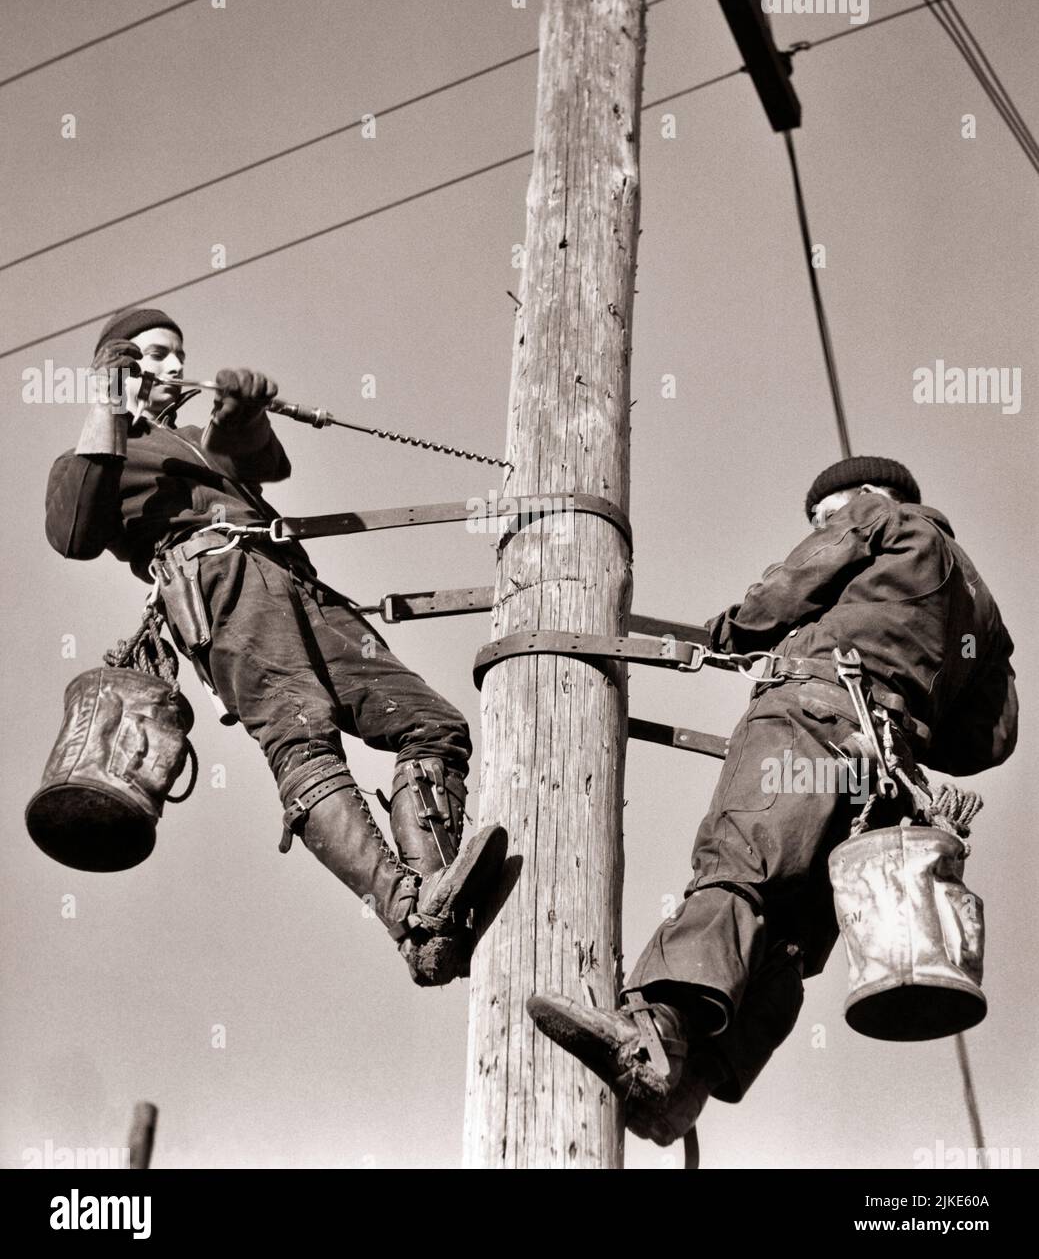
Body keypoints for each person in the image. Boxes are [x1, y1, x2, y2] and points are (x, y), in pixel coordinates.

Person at [528, 456, 1018, 1148]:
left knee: (739, 865)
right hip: (881, 782)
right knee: (789, 942)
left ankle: (649, 1032)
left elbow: (791, 587)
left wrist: (732, 632)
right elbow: (989, 739)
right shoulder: (981, 600)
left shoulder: (878, 516)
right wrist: (903, 705)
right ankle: (684, 1088)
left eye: (823, 516)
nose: (822, 526)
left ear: (867, 495)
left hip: (809, 717)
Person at [45, 307, 507, 987]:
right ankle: (410, 918)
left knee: (432, 724)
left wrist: (240, 415)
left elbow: (263, 463)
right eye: (155, 354)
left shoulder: (197, 446)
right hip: (218, 584)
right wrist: (107, 403)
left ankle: (437, 888)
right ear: (121, 365)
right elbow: (75, 534)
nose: (175, 366)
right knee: (301, 734)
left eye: (180, 353)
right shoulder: (95, 454)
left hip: (295, 584)